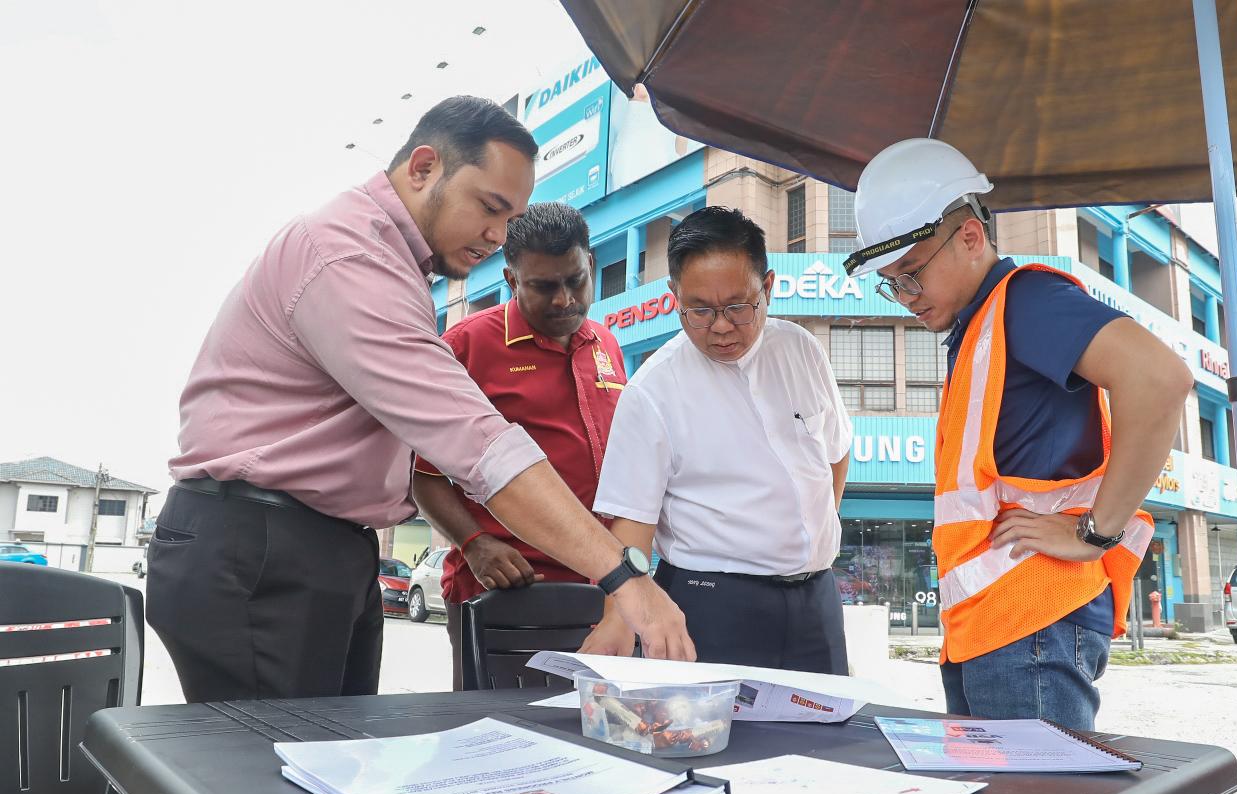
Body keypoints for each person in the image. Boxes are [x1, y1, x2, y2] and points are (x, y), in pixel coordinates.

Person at [148, 96, 692, 707]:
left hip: (322, 547)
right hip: (263, 549)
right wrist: (623, 575)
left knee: (333, 753)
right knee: (271, 762)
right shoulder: (350, 257)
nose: (497, 236)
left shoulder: (399, 266)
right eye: (489, 207)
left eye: (510, 218)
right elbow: (474, 445)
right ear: (423, 167)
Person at [844, 139, 1193, 794]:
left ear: (969, 234)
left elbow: (1158, 378)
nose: (906, 296)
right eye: (891, 284)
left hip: (1031, 631)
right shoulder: (979, 329)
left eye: (911, 273)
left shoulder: (1026, 300)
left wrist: (1095, 532)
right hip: (998, 632)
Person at [581, 207, 853, 674]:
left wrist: (814, 534)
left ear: (768, 287)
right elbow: (631, 525)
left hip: (816, 601)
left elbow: (836, 453)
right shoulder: (653, 391)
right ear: (675, 297)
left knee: (827, 719)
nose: (721, 326)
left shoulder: (801, 350)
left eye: (737, 307)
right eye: (700, 310)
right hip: (712, 605)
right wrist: (618, 618)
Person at [411, 201, 626, 688]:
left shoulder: (607, 345)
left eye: (575, 280)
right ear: (511, 279)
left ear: (591, 264)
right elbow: (422, 475)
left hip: (604, 592)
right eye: (544, 286)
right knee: (501, 729)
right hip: (507, 593)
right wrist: (474, 545)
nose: (564, 300)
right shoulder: (466, 346)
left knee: (597, 730)